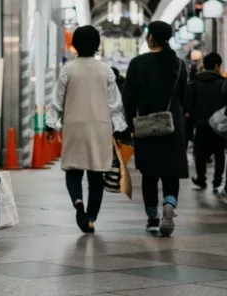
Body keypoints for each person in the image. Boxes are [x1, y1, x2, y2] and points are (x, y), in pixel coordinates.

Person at [46, 26, 128, 234]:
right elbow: (115, 105)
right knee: (96, 176)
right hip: (100, 128)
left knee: (73, 171)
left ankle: (78, 203)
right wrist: (120, 129)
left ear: (74, 44)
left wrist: (50, 124)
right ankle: (91, 218)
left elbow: (56, 101)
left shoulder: (68, 70)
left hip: (74, 126)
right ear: (97, 45)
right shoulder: (106, 70)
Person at [123, 21, 188, 236]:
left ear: (151, 38)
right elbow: (183, 98)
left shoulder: (138, 64)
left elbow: (128, 99)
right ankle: (169, 202)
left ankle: (152, 217)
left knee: (149, 174)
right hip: (173, 126)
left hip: (146, 126)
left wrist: (128, 124)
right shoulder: (178, 64)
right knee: (171, 171)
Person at [186, 53, 226, 192]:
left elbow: (189, 106)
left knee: (200, 154)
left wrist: (190, 127)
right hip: (219, 126)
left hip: (201, 124)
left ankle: (201, 178)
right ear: (216, 66)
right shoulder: (223, 83)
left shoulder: (194, 83)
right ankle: (217, 180)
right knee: (219, 154)